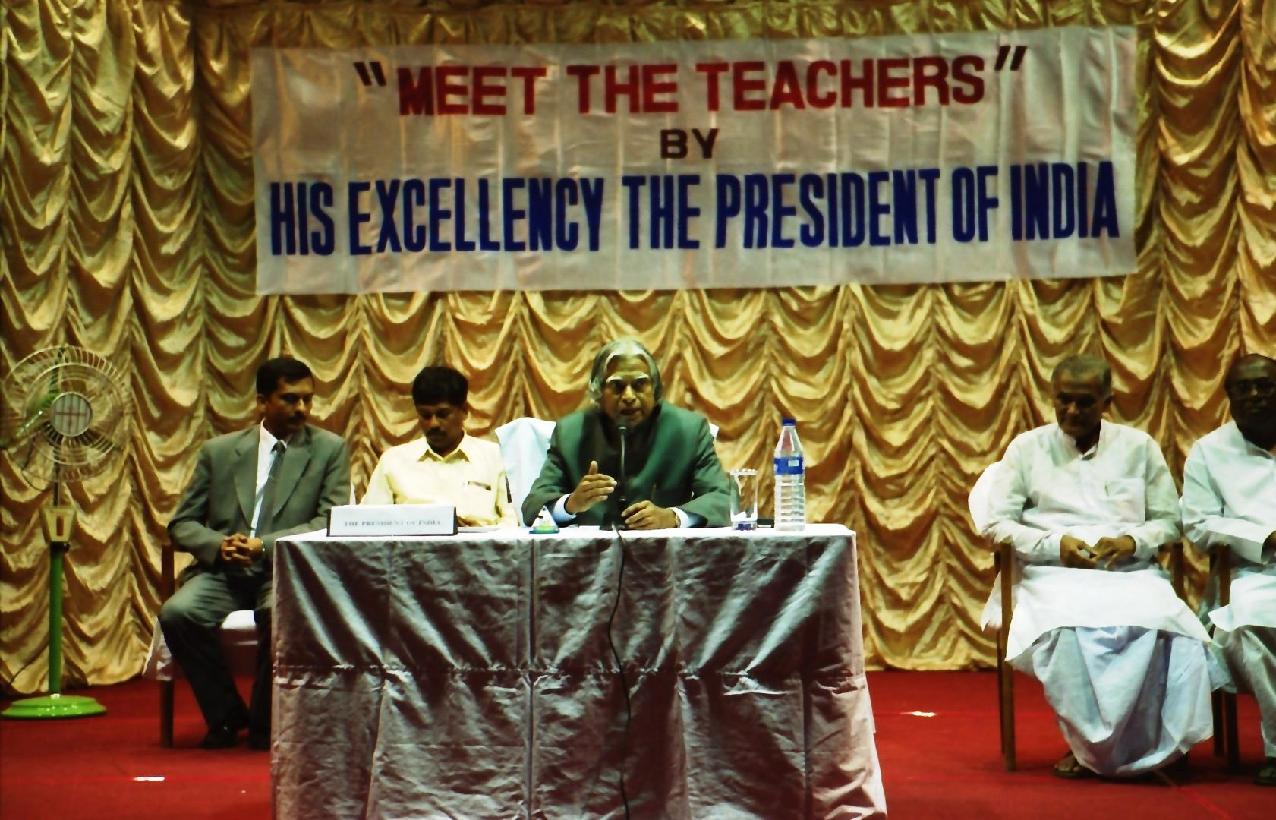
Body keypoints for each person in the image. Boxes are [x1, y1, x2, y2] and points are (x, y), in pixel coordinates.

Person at [981, 354, 1215, 778]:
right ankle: (1093, 748)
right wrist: (1055, 545)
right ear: (1053, 398)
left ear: (1107, 402)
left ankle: (1163, 747)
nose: (1072, 410)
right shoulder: (1026, 449)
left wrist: (1131, 541)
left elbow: (1169, 522)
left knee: (1173, 629)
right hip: (1053, 575)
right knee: (1067, 634)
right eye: (1064, 400)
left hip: (1130, 572)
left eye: (1085, 402)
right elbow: (997, 524)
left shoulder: (1138, 447)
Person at [159, 356, 351, 749]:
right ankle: (227, 715)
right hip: (223, 572)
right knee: (177, 613)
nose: (302, 408)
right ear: (262, 401)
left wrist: (263, 546)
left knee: (279, 616)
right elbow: (182, 523)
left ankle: (265, 724)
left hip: (285, 570)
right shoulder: (219, 452)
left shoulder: (330, 450)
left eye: (307, 399)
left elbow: (329, 521)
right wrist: (218, 545)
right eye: (290, 399)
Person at [1181, 352, 1276, 786]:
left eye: (1265, 386)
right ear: (1229, 397)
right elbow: (1198, 525)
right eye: (1244, 388)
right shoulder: (1209, 452)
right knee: (1247, 630)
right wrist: (1264, 538)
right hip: (1251, 574)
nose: (1255, 395)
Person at [521, 338, 730, 529]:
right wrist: (570, 504)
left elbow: (721, 499)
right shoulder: (571, 433)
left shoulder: (689, 430)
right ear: (598, 392)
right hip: (591, 555)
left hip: (666, 553)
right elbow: (533, 506)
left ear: (655, 389)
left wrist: (672, 517)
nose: (629, 396)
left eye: (640, 384)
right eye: (617, 386)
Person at [361, 365, 516, 528]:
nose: (433, 424)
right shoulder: (393, 461)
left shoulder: (495, 458)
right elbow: (370, 523)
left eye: (443, 414)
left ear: (464, 411)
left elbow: (513, 521)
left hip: (482, 543)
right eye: (425, 415)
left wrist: (475, 533)